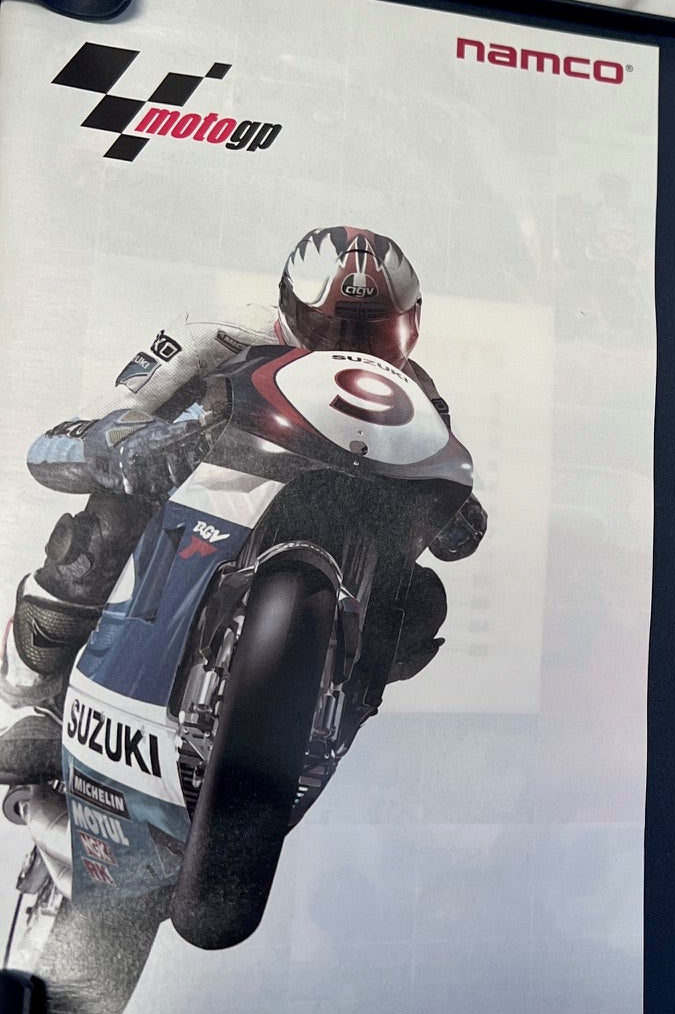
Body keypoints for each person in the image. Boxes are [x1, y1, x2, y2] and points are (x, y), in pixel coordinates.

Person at [0, 226, 486, 779]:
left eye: (372, 334)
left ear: (410, 325)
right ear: (288, 306)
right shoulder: (216, 336)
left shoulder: (418, 398)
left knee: (417, 604)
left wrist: (453, 510)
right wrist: (130, 445)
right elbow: (73, 432)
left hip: (334, 535)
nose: (350, 350)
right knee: (104, 527)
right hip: (205, 499)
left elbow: (447, 513)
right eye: (331, 330)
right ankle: (39, 696)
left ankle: (328, 726)